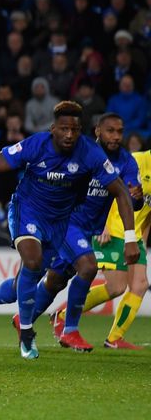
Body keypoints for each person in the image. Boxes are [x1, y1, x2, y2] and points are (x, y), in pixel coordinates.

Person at [0, 102, 139, 360]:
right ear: (53, 129)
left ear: (81, 131)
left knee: (28, 283)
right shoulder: (36, 145)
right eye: (63, 129)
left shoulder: (90, 153)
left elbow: (121, 191)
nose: (69, 135)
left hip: (60, 222)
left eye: (74, 130)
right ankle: (31, 332)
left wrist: (131, 237)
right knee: (38, 262)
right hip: (27, 209)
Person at [50, 141, 151, 350]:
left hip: (135, 236)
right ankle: (61, 315)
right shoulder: (137, 160)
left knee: (140, 285)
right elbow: (111, 190)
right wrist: (103, 225)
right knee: (116, 287)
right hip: (113, 230)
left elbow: (148, 213)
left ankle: (114, 339)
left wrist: (143, 240)